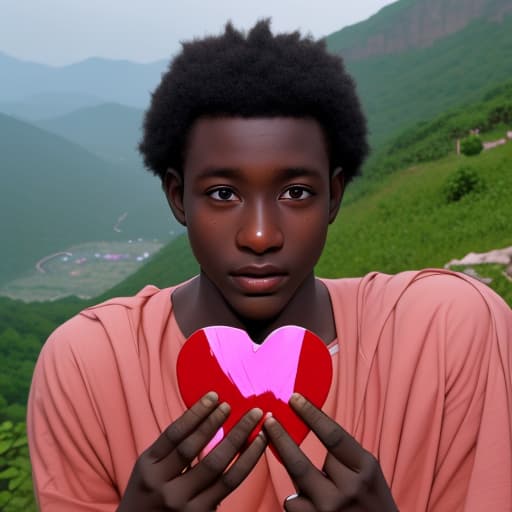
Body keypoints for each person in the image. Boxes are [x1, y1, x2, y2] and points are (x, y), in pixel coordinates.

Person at [27, 20, 512, 512]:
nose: (260, 236)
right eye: (223, 194)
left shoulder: (447, 334)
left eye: (295, 192)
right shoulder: (89, 365)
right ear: (178, 197)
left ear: (334, 196)